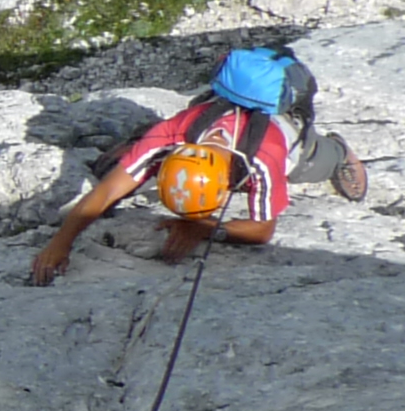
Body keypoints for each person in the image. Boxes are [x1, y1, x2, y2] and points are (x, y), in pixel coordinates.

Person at [26, 46, 366, 286]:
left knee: (310, 165)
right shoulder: (176, 132)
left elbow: (263, 230)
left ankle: (338, 151)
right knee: (132, 161)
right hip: (207, 112)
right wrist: (61, 242)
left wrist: (206, 228)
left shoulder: (265, 155)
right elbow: (106, 192)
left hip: (283, 130)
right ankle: (139, 150)